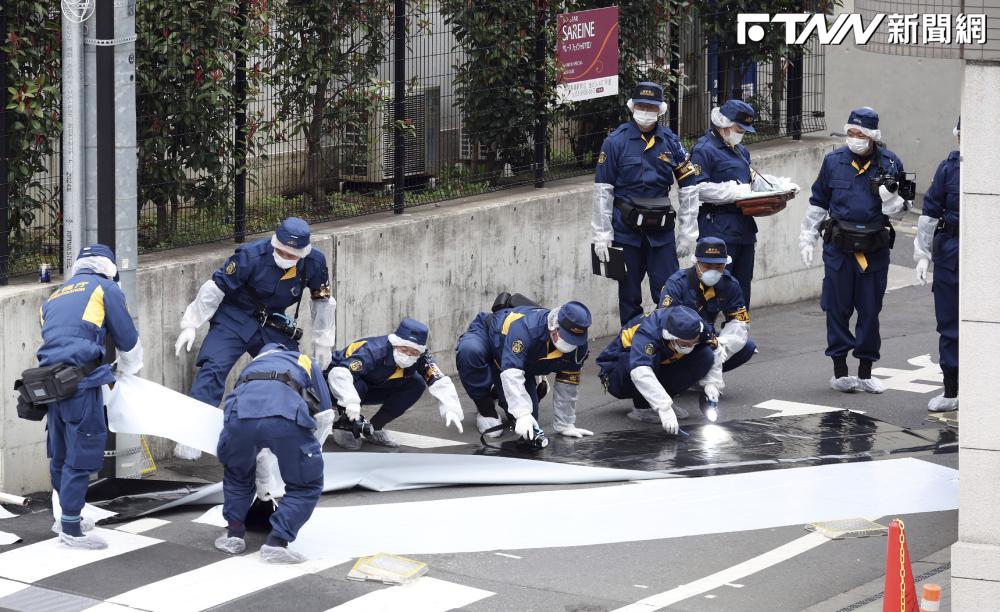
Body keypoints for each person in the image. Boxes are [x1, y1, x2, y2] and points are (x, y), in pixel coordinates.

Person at [173, 217, 336, 460]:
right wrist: (191, 323)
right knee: (213, 367)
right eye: (281, 251)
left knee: (294, 372)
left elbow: (321, 301)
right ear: (274, 242)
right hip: (235, 316)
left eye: (293, 255)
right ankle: (192, 436)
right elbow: (215, 288)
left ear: (304, 252)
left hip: (272, 323)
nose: (286, 257)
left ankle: (294, 435)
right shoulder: (250, 256)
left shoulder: (314, 262)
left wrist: (323, 341)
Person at [35, 245, 144, 549]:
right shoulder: (104, 287)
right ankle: (71, 528)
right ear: (108, 266)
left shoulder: (55, 295)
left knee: (59, 452)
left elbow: (57, 336)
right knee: (82, 452)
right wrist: (130, 371)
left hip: (50, 384)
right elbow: (127, 338)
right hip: (81, 383)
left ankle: (66, 515)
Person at [799, 107, 910, 393]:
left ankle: (865, 371)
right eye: (851, 132)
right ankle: (839, 371)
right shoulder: (833, 161)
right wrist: (806, 238)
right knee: (837, 308)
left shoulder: (890, 163)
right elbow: (818, 202)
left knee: (870, 310)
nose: (854, 138)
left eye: (860, 134)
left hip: (873, 248)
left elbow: (902, 212)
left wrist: (892, 200)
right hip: (839, 248)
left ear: (872, 136)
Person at [213, 344, 335, 564]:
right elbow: (325, 411)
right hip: (285, 416)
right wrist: (312, 451)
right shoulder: (304, 360)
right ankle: (276, 542)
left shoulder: (252, 365)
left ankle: (234, 535)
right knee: (306, 485)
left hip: (239, 418)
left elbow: (242, 404)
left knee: (237, 474)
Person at [592, 81, 702, 325]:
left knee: (670, 292)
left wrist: (688, 232)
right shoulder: (615, 142)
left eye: (651, 107)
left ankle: (670, 342)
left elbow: (689, 187)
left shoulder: (671, 142)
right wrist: (602, 235)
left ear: (660, 110)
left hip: (660, 233)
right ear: (632, 107)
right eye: (641, 106)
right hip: (626, 232)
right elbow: (603, 191)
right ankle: (631, 347)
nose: (645, 111)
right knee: (629, 296)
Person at [687, 100, 800, 307]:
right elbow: (697, 189)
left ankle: (738, 332)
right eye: (739, 129)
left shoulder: (739, 150)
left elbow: (749, 178)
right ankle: (707, 334)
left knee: (741, 289)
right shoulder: (704, 150)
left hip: (743, 228)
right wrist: (734, 191)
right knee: (713, 291)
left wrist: (775, 186)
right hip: (718, 228)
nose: (741, 134)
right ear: (723, 123)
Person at [455, 301, 594, 441]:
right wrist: (522, 413)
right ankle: (486, 410)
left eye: (573, 340)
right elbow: (511, 373)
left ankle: (496, 389)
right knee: (470, 351)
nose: (569, 344)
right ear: (554, 325)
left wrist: (565, 424)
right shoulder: (527, 328)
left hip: (518, 364)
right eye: (565, 337)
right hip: (490, 336)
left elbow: (567, 383)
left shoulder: (579, 346)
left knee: (530, 423)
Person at [325, 318, 464, 449]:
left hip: (374, 385)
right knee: (358, 383)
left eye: (413, 352)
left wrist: (450, 407)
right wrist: (351, 401)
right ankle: (345, 425)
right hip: (334, 387)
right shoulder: (374, 350)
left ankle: (375, 428)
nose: (408, 355)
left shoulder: (421, 357)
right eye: (404, 350)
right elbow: (339, 373)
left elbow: (438, 378)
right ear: (395, 344)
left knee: (416, 383)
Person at [596, 305, 721, 434]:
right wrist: (664, 408)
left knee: (706, 354)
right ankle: (643, 408)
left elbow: (716, 349)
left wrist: (711, 384)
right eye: (684, 344)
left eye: (693, 342)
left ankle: (661, 400)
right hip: (615, 373)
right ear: (671, 336)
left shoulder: (699, 326)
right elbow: (640, 370)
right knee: (648, 358)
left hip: (655, 363)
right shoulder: (649, 331)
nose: (690, 347)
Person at [915, 117, 960, 412]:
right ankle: (952, 390)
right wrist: (923, 254)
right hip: (951, 252)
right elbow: (930, 213)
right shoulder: (949, 169)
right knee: (949, 325)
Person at [658, 237, 755, 373]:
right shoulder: (677, 284)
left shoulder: (730, 284)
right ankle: (678, 377)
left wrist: (723, 345)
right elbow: (665, 322)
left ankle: (702, 374)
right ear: (696, 263)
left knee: (747, 347)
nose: (713, 271)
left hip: (706, 340)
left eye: (719, 267)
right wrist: (701, 338)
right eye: (707, 266)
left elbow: (739, 321)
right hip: (680, 343)